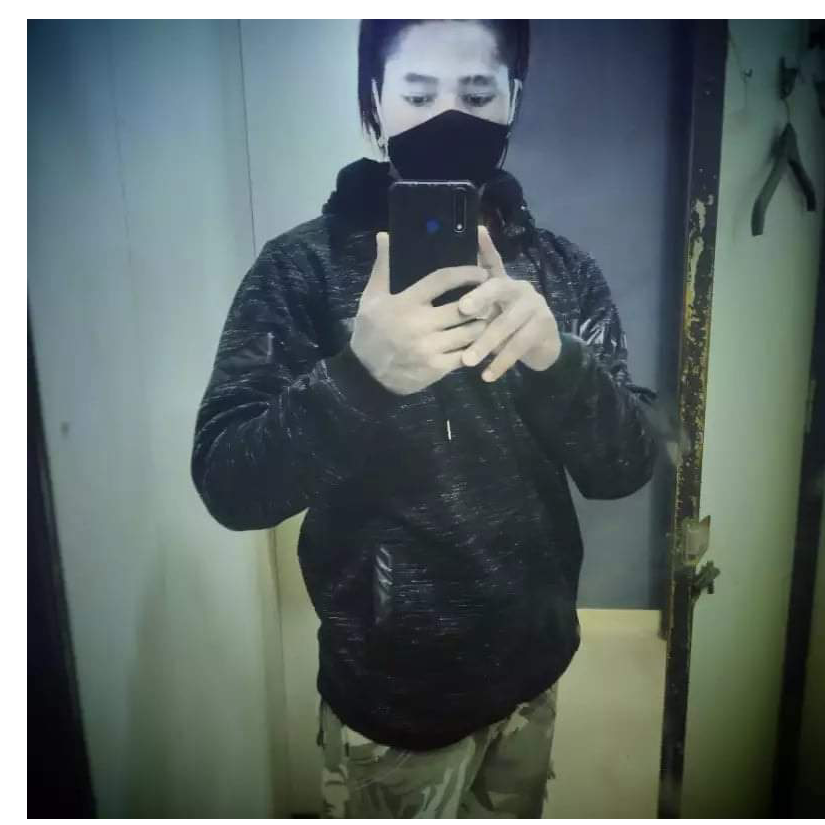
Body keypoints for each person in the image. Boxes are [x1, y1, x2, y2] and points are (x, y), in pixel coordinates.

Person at [191, 18, 660, 819]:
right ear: (373, 101)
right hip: (390, 704)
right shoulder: (299, 270)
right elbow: (229, 482)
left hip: (531, 670)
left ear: (513, 100)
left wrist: (557, 360)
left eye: (476, 94)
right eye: (417, 93)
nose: (448, 117)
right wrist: (359, 377)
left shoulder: (560, 271)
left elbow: (625, 464)